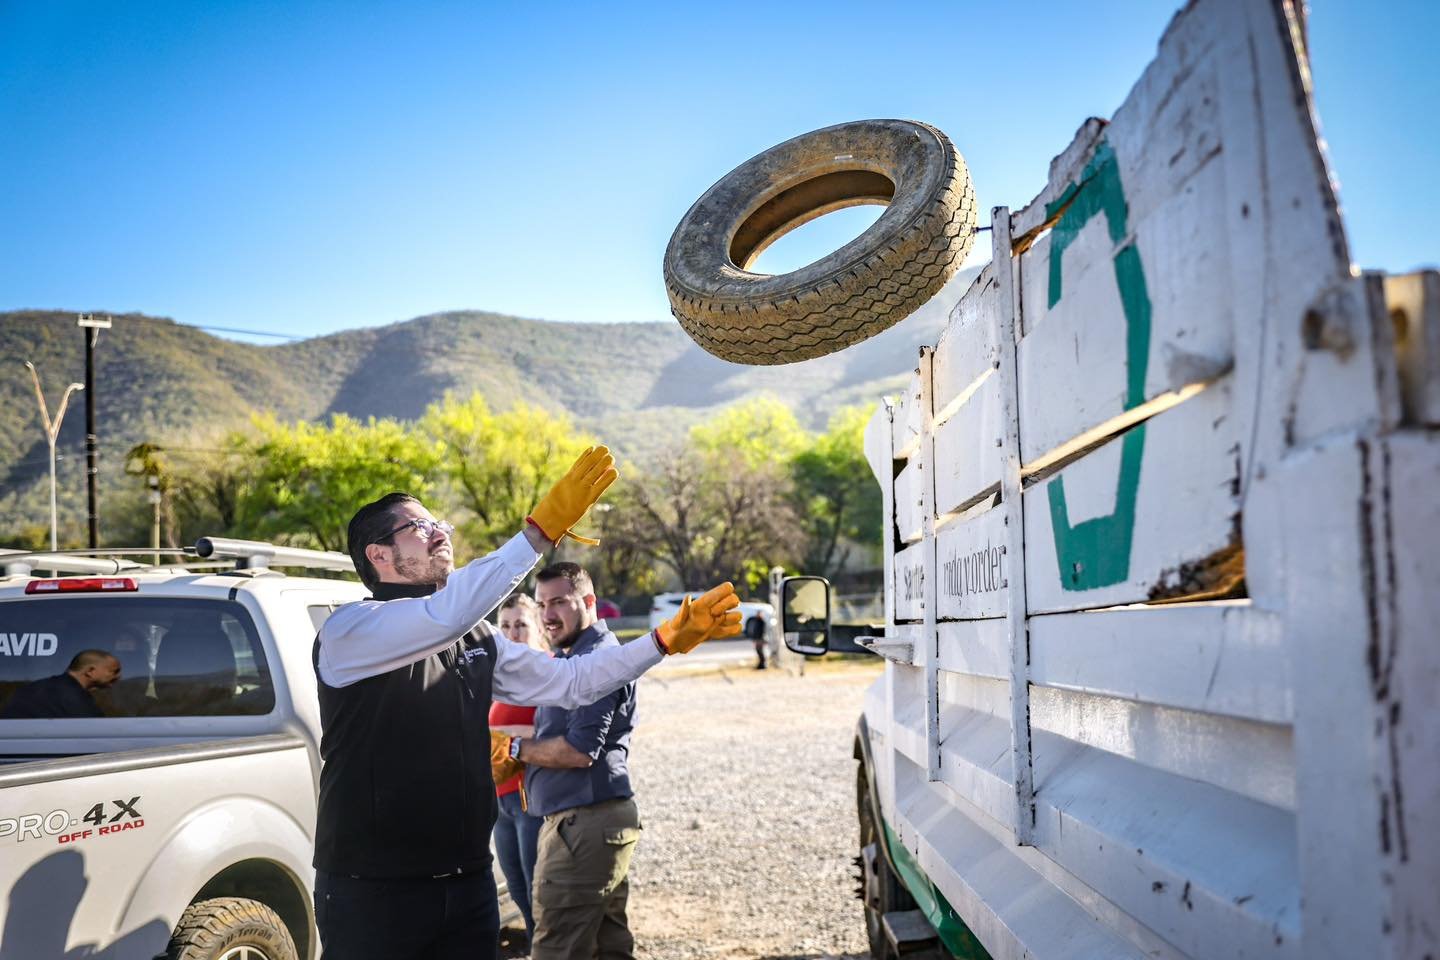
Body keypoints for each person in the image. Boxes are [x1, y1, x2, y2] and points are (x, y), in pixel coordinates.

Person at [311, 446, 742, 960]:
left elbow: (575, 682)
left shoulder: (474, 637)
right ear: (378, 555)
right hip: (373, 891)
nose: (440, 532)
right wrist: (538, 533)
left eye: (439, 522)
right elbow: (444, 615)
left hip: (467, 883)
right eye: (420, 528)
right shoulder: (350, 631)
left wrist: (663, 641)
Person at [502, 562, 637, 959]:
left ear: (589, 601)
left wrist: (510, 749)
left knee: (556, 948)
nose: (547, 615)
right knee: (605, 948)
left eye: (559, 602)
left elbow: (580, 750)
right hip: (588, 822)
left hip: (583, 825)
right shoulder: (572, 657)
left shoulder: (596, 661)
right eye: (542, 604)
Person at [490, 593, 547, 945]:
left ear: (537, 627)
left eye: (521, 625)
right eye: (506, 626)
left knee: (538, 889)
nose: (513, 634)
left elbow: (556, 730)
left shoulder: (549, 669)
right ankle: (539, 949)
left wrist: (505, 734)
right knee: (516, 889)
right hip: (501, 801)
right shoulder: (501, 675)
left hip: (532, 799)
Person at [0, 650, 120, 719]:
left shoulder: (37, 688)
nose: (118, 676)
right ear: (90, 671)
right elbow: (97, 731)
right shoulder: (72, 697)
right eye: (114, 671)